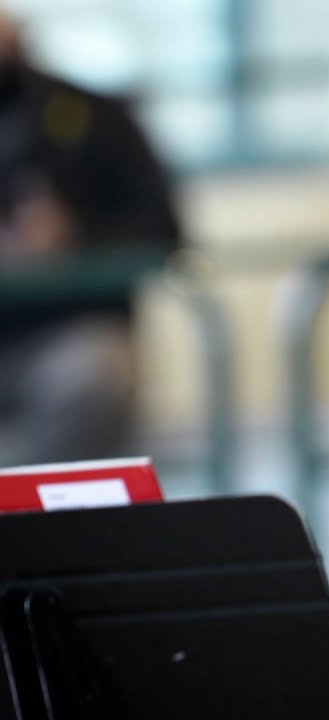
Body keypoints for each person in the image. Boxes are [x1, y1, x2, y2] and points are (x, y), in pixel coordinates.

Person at [0, 10, 182, 466]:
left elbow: (161, 229)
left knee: (94, 376)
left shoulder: (95, 117)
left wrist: (74, 236)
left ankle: (33, 518)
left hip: (66, 333)